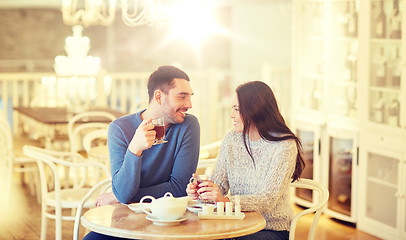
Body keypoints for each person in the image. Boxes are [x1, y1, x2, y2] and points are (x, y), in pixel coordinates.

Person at [84, 65, 200, 240]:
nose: (189, 105)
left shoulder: (188, 126)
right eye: (182, 97)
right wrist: (135, 149)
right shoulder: (119, 128)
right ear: (159, 96)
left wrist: (119, 197)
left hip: (170, 220)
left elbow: (179, 187)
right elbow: (123, 192)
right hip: (127, 219)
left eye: (189, 97)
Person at [186, 81, 305, 240]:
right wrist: (203, 192)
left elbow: (267, 200)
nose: (231, 114)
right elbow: (219, 186)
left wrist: (225, 200)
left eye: (236, 109)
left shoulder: (284, 146)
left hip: (271, 228)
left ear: (255, 110)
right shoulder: (232, 139)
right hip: (236, 223)